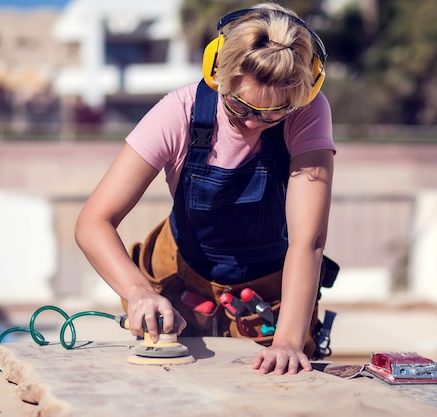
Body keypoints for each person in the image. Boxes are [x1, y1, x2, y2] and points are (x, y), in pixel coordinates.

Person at [75, 2, 336, 375]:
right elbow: (93, 222)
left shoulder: (308, 111)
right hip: (183, 281)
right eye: (240, 107)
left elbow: (307, 241)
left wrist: (289, 341)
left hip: (267, 298)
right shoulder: (177, 113)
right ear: (218, 73)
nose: (254, 124)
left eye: (274, 113)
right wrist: (140, 293)